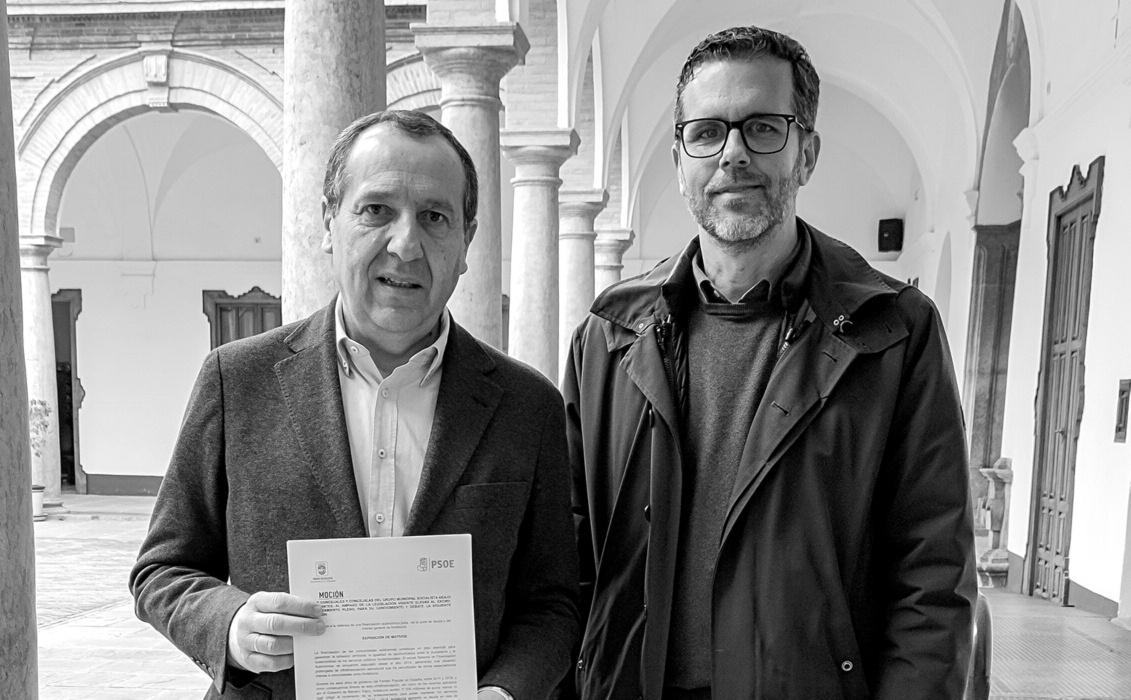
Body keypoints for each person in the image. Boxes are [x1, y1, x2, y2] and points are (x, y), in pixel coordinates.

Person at [563, 26, 976, 700]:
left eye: (762, 128)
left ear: (805, 154)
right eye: (706, 132)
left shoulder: (893, 333)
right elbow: (569, 556)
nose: (732, 154)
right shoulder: (609, 336)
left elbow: (932, 576)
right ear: (679, 160)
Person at [130, 109, 578, 700]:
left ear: (467, 241)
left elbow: (553, 604)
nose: (406, 244)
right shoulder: (236, 381)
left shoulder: (527, 406)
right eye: (376, 210)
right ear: (329, 223)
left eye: (435, 217)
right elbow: (162, 570)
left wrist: (505, 692)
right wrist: (231, 625)